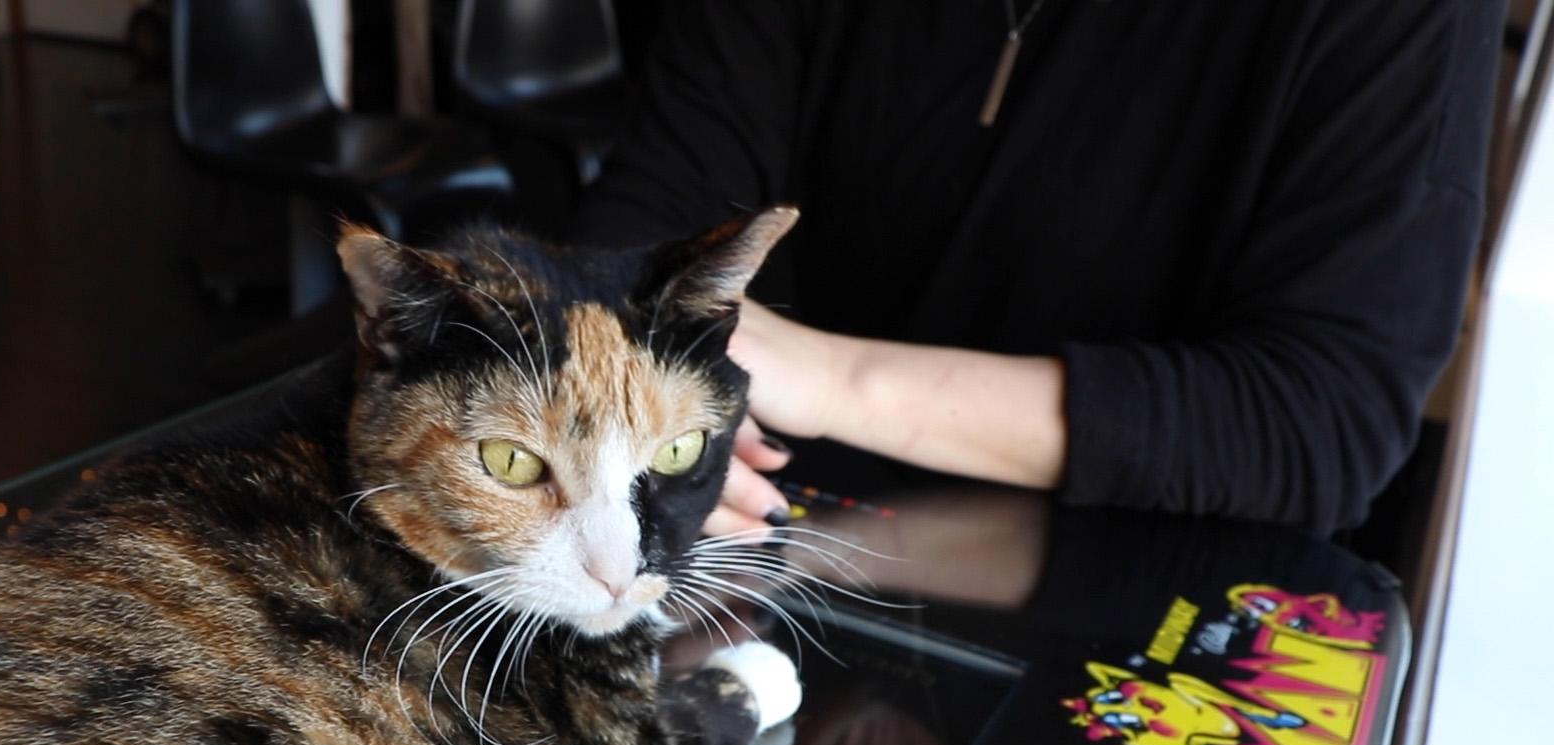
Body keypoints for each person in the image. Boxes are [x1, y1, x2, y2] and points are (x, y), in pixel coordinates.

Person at [574, 0, 1505, 536]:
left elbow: (1320, 418)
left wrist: (827, 376)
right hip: (774, 527)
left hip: (1144, 589)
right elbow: (642, 225)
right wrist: (676, 384)